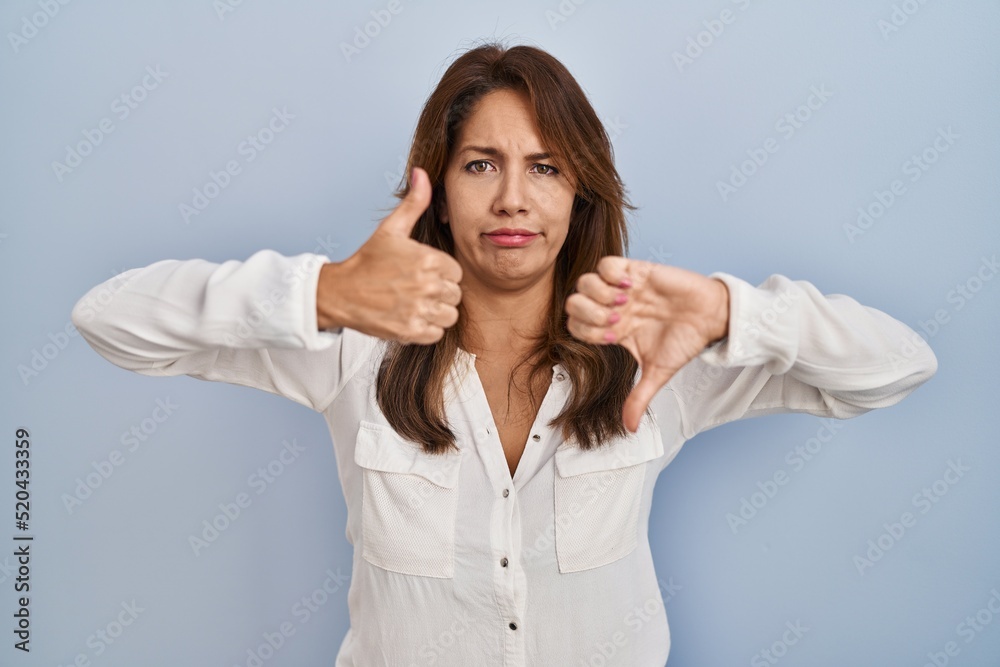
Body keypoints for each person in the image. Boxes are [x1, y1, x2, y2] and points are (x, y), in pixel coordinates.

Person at [71, 41, 937, 666]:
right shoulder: (356, 352)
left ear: (580, 191)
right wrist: (323, 292)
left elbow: (899, 364)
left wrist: (728, 310)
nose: (514, 198)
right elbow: (109, 319)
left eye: (547, 167)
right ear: (439, 191)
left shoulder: (653, 351)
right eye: (482, 164)